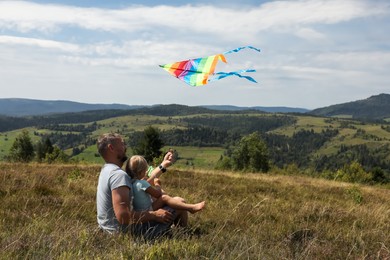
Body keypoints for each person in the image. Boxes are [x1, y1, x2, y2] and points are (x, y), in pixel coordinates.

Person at [96, 133, 182, 240]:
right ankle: (182, 236)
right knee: (179, 203)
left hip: (109, 230)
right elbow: (123, 217)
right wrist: (155, 215)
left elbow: (143, 182)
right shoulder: (118, 175)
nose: (125, 147)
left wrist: (163, 165)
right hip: (127, 233)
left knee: (172, 202)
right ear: (111, 148)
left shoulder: (107, 170)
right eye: (122, 144)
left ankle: (173, 233)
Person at [126, 155, 205, 227]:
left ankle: (180, 226)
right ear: (140, 172)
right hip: (148, 211)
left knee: (175, 200)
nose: (146, 173)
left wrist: (163, 164)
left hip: (141, 213)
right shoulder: (142, 183)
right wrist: (157, 185)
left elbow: (152, 177)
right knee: (164, 198)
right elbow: (157, 194)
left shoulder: (131, 183)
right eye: (145, 171)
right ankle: (190, 209)